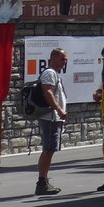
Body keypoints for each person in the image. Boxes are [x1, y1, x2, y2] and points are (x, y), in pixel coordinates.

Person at [34, 48, 68, 196]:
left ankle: (43, 181)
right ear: (53, 58)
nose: (64, 62)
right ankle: (42, 182)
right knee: (48, 149)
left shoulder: (55, 74)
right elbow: (47, 91)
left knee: (50, 149)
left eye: (65, 59)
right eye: (62, 58)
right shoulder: (50, 73)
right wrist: (59, 110)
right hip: (50, 118)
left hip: (53, 118)